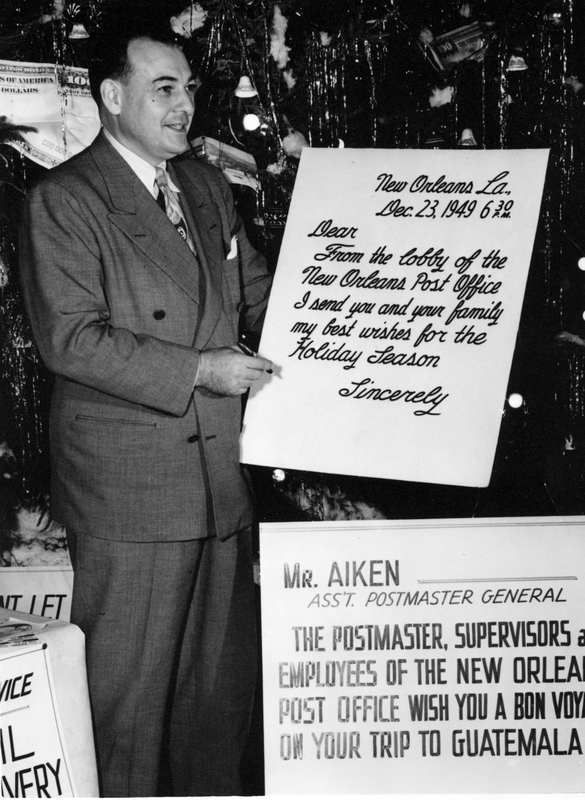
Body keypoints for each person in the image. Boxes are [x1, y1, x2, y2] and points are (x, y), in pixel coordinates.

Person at [19, 14, 272, 798]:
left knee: (215, 705)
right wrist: (201, 369)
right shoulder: (64, 200)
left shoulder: (200, 183)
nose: (184, 105)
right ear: (111, 96)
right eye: (163, 88)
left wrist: (338, 291)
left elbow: (257, 292)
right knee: (127, 711)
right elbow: (73, 342)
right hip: (131, 491)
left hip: (220, 482)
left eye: (189, 88)